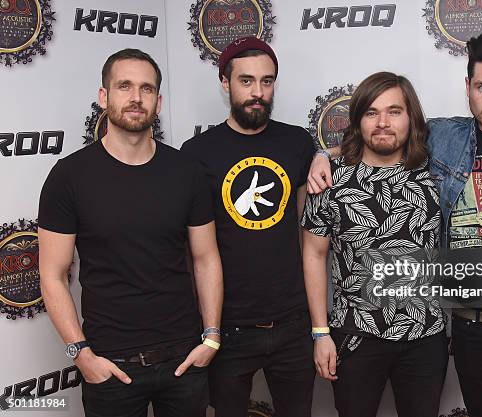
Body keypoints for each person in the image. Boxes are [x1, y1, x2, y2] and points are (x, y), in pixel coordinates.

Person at [308, 31, 482, 417]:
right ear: (467, 86)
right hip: (472, 329)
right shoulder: (443, 137)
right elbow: (383, 134)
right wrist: (324, 154)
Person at [38, 48, 223, 417]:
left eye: (146, 88)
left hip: (184, 360)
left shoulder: (186, 171)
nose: (136, 98)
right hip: (110, 367)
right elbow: (52, 274)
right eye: (125, 86)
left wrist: (212, 337)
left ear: (159, 100)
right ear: (104, 96)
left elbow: (206, 258)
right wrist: (82, 355)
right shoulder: (69, 177)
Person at [180, 37, 316, 417]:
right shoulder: (196, 152)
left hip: (292, 323)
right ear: (225, 83)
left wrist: (324, 154)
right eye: (246, 81)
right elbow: (194, 250)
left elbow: (310, 232)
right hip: (228, 327)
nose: (258, 93)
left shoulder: (297, 142)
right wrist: (207, 327)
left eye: (267, 81)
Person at [301, 71, 447, 417]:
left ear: (411, 118)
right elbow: (313, 254)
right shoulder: (330, 179)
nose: (383, 122)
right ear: (358, 120)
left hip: (425, 335)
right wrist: (321, 333)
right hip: (356, 335)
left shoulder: (436, 170)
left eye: (394, 111)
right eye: (371, 112)